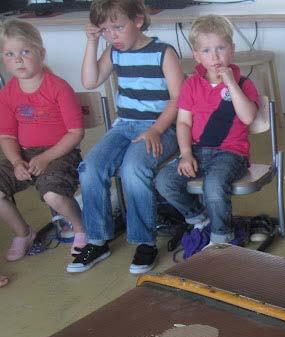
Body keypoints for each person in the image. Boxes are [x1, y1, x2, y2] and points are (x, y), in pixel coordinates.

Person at [69, 0, 182, 274]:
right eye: (105, 30)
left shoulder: (163, 52)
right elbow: (90, 81)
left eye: (118, 27)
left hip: (162, 127)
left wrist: (156, 129)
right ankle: (97, 239)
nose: (112, 35)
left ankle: (145, 241)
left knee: (134, 169)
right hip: (125, 126)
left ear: (139, 20)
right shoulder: (113, 51)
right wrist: (92, 43)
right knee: (91, 167)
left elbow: (180, 98)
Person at [155, 16, 258, 247]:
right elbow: (183, 123)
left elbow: (248, 117)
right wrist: (185, 153)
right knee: (164, 181)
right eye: (207, 50)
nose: (215, 56)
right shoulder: (191, 85)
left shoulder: (244, 84)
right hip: (197, 151)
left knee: (213, 183)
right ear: (197, 55)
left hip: (232, 154)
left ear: (232, 49)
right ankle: (200, 218)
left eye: (221, 48)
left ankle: (222, 238)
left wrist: (230, 83)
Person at [0, 19, 86, 262]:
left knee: (52, 195)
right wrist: (17, 162)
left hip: (60, 153)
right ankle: (23, 233)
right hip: (24, 154)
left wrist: (47, 157)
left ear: (41, 53)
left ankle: (81, 228)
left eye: (25, 52)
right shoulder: (7, 93)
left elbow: (75, 132)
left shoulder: (58, 87)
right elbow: (6, 135)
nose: (18, 59)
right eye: (9, 54)